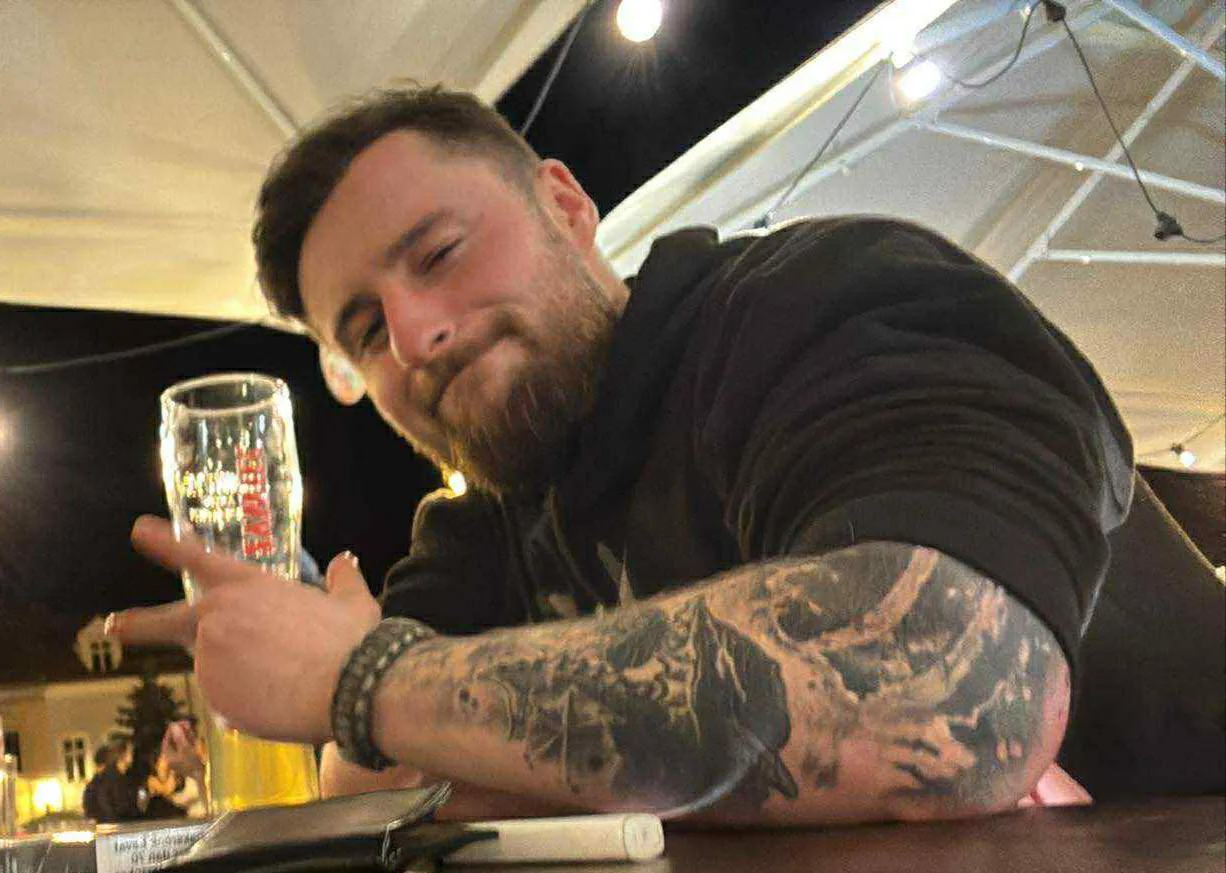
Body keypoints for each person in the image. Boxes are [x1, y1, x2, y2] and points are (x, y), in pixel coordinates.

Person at [109, 85, 1223, 825]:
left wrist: (367, 680)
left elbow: (943, 695)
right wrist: (378, 708)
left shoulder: (825, 306)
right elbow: (373, 791)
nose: (414, 338)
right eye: (362, 331)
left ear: (564, 204)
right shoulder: (484, 522)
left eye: (438, 253)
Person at [82, 736, 144, 823]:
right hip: (113, 825)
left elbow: (135, 804)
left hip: (127, 824)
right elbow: (106, 806)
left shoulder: (129, 777)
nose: (132, 754)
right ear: (121, 754)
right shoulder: (108, 778)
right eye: (130, 751)